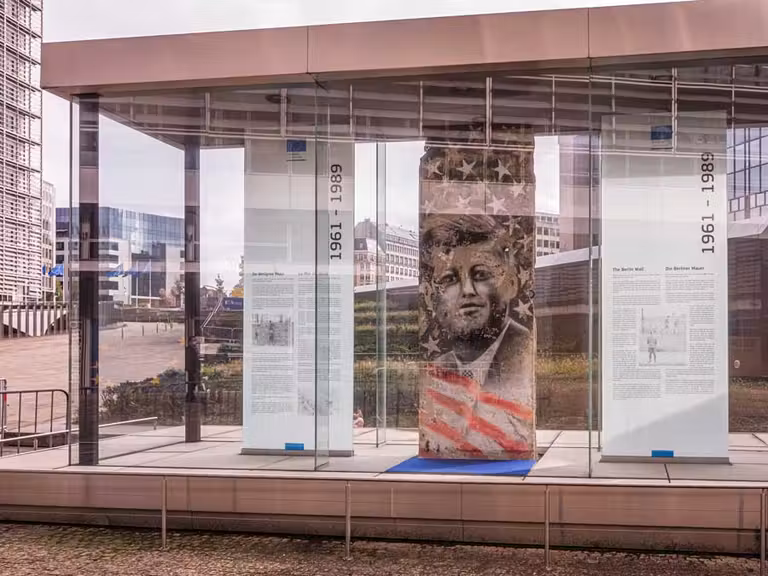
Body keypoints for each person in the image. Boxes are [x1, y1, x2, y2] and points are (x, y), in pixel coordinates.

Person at [419, 213, 535, 461]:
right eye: (449, 279)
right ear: (431, 297)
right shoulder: (437, 372)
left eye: (481, 274)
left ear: (511, 282)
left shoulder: (523, 358)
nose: (467, 292)